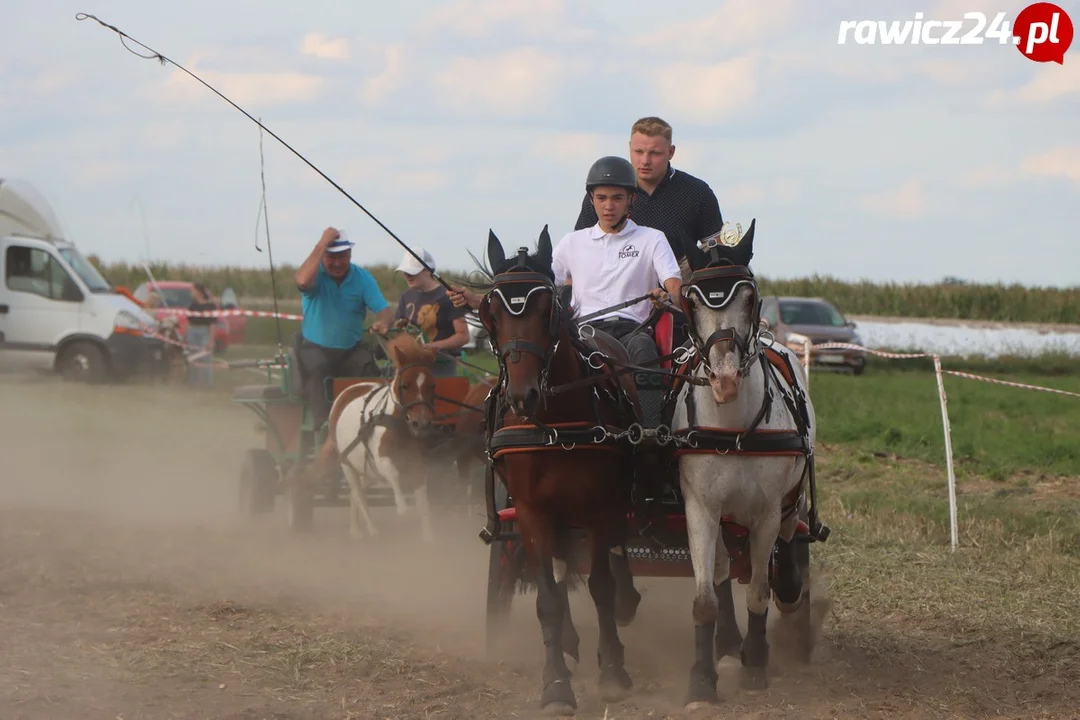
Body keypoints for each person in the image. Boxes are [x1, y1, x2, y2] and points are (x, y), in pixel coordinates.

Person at [573, 116, 724, 283]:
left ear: (671, 152)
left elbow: (716, 251)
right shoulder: (604, 194)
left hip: (679, 289)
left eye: (655, 153)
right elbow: (581, 247)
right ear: (630, 148)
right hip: (612, 287)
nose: (645, 161)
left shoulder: (697, 193)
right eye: (638, 152)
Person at [294, 227, 393, 431]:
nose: (337, 263)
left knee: (368, 370)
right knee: (319, 370)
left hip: (351, 349)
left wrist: (383, 323)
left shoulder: (362, 277)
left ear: (350, 254)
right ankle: (323, 427)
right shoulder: (315, 275)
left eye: (342, 256)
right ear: (323, 256)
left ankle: (369, 422)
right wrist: (322, 243)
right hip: (315, 347)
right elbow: (302, 280)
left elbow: (384, 311)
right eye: (331, 257)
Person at [371, 249, 469, 377]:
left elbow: (463, 336)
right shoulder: (406, 297)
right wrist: (385, 329)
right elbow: (400, 332)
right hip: (410, 366)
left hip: (441, 364)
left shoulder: (448, 296)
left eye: (412, 272)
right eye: (405, 272)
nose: (407, 276)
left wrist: (434, 346)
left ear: (428, 271)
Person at [185, 282, 217, 389]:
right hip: (192, 331)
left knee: (206, 357)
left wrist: (211, 341)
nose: (191, 292)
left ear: (199, 291)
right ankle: (193, 383)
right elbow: (188, 322)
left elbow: (213, 324)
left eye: (193, 290)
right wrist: (186, 335)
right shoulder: (192, 305)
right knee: (193, 357)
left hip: (205, 332)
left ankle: (208, 384)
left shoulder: (211, 306)